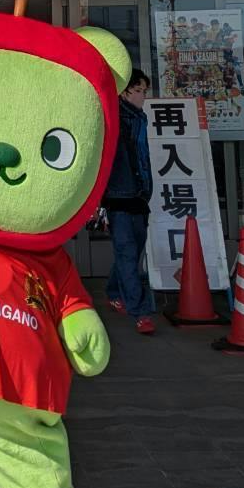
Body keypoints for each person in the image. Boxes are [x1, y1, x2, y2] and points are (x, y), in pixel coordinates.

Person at [102, 68, 156, 335]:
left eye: (145, 91)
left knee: (131, 253)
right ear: (124, 92)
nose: (143, 96)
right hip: (119, 195)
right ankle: (141, 312)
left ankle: (114, 292)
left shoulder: (139, 118)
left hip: (138, 194)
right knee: (127, 253)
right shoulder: (113, 117)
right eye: (138, 90)